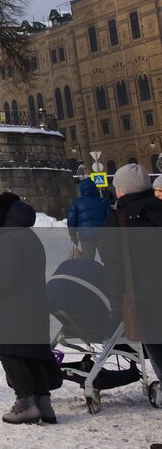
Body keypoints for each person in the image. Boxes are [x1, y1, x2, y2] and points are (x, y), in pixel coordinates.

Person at [0, 192, 58, 425]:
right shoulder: (29, 237)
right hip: (32, 306)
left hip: (10, 309)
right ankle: (43, 403)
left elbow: (7, 275)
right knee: (32, 354)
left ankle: (25, 402)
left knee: (9, 351)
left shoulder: (10, 240)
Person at [99, 163, 162, 384]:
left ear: (123, 190)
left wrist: (117, 306)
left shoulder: (118, 220)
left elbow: (114, 268)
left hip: (147, 301)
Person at [65, 178, 108, 261]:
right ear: (94, 188)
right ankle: (109, 273)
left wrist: (73, 235)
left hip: (85, 236)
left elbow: (71, 220)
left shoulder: (77, 203)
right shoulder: (102, 201)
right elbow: (110, 217)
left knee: (88, 259)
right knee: (107, 258)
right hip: (102, 235)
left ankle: (90, 273)